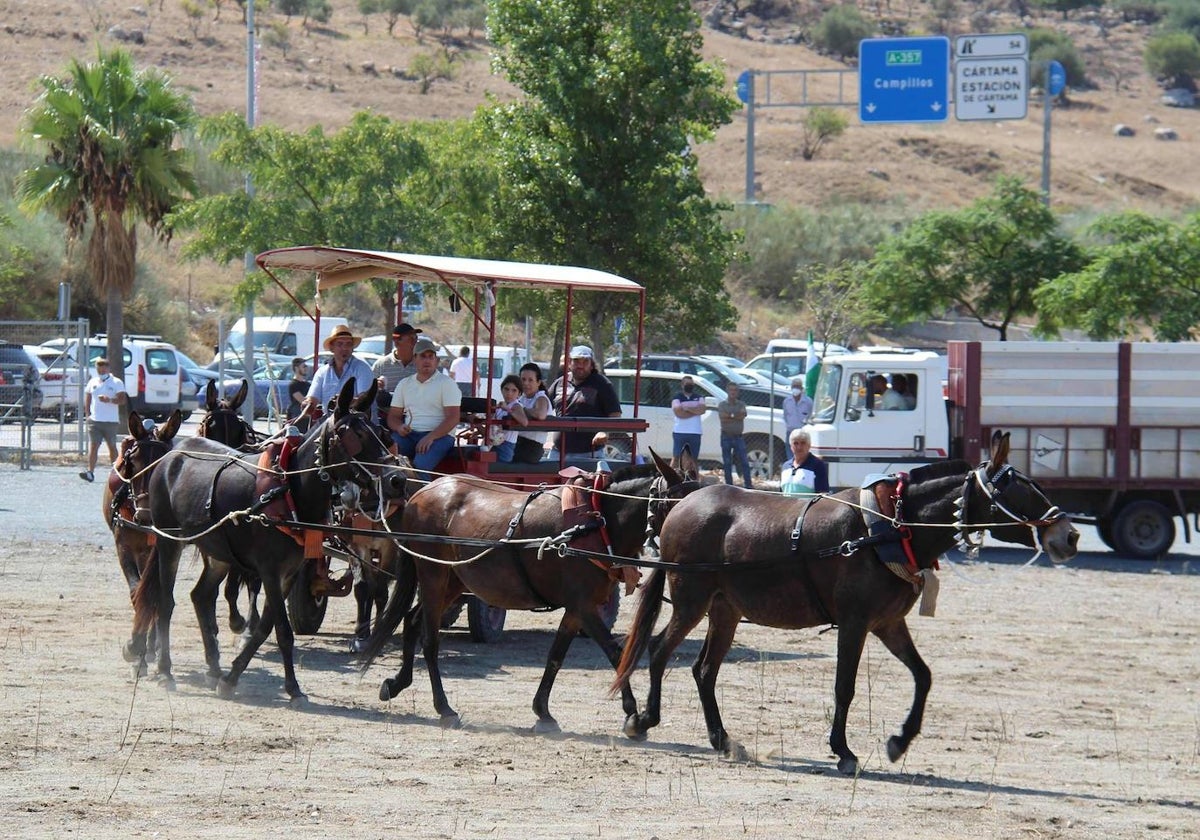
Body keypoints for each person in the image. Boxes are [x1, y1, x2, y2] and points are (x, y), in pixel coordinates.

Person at [387, 336, 462, 480]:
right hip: (409, 435)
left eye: (430, 356)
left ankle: (422, 502)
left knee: (419, 467)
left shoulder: (447, 384)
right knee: (386, 460)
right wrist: (399, 427)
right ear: (414, 359)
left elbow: (453, 418)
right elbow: (393, 417)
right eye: (422, 356)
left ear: (436, 360)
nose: (427, 360)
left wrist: (430, 437)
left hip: (440, 437)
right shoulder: (404, 384)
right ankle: (390, 500)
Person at [547, 345, 621, 459]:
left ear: (591, 365)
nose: (580, 365)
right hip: (558, 452)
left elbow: (615, 414)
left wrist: (605, 432)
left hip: (589, 453)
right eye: (576, 361)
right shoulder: (560, 383)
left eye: (585, 361)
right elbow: (544, 404)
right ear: (570, 363)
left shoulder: (602, 384)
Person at [301, 324, 376, 417]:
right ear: (332, 348)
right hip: (329, 424)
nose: (345, 348)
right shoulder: (322, 373)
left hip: (357, 423)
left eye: (348, 344)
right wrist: (308, 404)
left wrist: (343, 401)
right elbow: (312, 399)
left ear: (352, 348)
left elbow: (364, 401)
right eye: (340, 344)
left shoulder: (362, 369)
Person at [79, 357, 127, 483]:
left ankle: (117, 472)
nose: (101, 371)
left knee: (111, 446)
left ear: (108, 368)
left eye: (104, 368)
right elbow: (88, 396)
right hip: (95, 420)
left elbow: (122, 400)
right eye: (99, 368)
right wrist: (88, 414)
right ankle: (90, 472)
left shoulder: (116, 382)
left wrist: (109, 400)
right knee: (94, 445)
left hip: (110, 421)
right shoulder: (93, 382)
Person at [513, 362, 553, 464]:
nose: (526, 383)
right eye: (523, 379)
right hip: (517, 442)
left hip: (531, 447)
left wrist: (521, 409)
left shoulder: (541, 398)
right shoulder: (522, 398)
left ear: (538, 382)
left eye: (530, 380)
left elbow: (541, 414)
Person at [717, 381, 753, 489]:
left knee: (744, 462)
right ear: (727, 391)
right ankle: (729, 486)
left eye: (735, 390)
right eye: (731, 390)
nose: (733, 392)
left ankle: (748, 485)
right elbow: (722, 417)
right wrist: (735, 415)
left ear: (738, 392)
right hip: (726, 437)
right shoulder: (722, 404)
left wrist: (730, 415)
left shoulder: (741, 404)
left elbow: (742, 415)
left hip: (738, 437)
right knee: (727, 463)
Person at [779, 428, 829, 497]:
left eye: (803, 443)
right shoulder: (785, 466)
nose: (799, 447)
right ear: (791, 447)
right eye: (796, 443)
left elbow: (823, 496)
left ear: (809, 445)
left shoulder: (818, 465)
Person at [372, 323, 421, 393]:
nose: (415, 341)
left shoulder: (422, 365)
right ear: (397, 342)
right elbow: (368, 392)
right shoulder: (381, 365)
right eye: (411, 338)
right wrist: (375, 387)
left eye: (415, 338)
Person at [670, 375, 706, 466]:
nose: (689, 385)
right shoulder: (677, 397)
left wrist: (687, 409)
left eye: (691, 384)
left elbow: (702, 410)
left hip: (695, 432)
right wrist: (695, 411)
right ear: (682, 385)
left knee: (693, 459)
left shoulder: (699, 397)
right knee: (676, 457)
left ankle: (694, 478)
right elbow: (679, 413)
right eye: (687, 384)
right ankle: (668, 477)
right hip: (680, 432)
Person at [490, 375, 523, 463]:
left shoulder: (516, 405)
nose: (509, 393)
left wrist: (507, 410)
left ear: (519, 393)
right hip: (495, 443)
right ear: (502, 390)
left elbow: (524, 421)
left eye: (514, 390)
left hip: (506, 446)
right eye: (506, 389)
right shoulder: (501, 406)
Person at [286, 357, 309, 422]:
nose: (306, 368)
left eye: (306, 366)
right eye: (304, 366)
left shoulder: (307, 384)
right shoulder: (293, 385)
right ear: (296, 368)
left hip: (307, 418)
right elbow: (303, 401)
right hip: (297, 418)